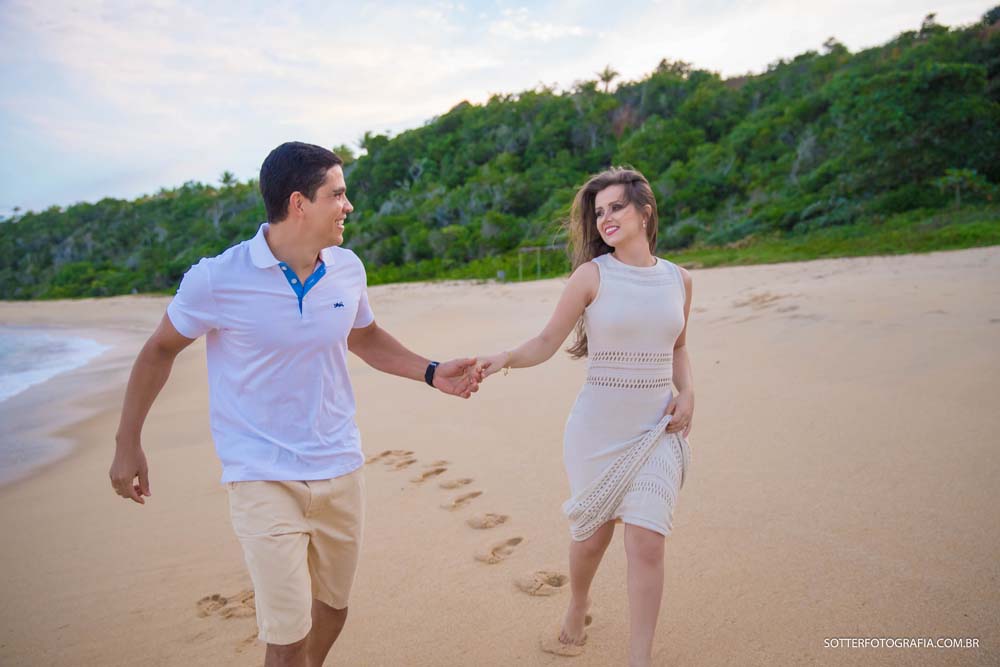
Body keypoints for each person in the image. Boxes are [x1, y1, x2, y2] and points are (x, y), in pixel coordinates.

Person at [108, 141, 481, 667]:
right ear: (299, 202)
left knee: (333, 610)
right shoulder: (217, 278)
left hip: (340, 463)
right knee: (286, 635)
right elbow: (158, 351)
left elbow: (365, 338)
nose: (348, 206)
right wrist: (128, 442)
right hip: (261, 472)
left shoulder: (347, 269)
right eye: (338, 193)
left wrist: (430, 371)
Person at [478, 167, 695, 666]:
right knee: (591, 538)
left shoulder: (679, 280)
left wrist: (689, 394)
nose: (606, 218)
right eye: (599, 213)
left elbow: (679, 346)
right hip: (597, 432)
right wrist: (505, 358)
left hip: (658, 431)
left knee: (646, 543)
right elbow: (546, 342)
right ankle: (578, 602)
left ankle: (639, 657)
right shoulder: (592, 277)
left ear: (645, 211)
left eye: (616, 207)